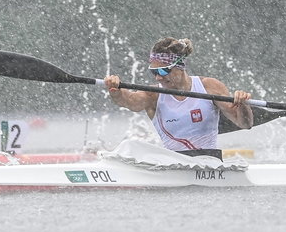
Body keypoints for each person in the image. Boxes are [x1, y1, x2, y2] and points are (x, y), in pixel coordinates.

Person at [103, 37, 253, 160]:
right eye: (153, 72)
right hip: (174, 163)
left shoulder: (210, 87)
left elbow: (245, 124)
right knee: (130, 145)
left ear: (179, 66)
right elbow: (129, 101)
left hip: (210, 162)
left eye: (163, 70)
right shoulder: (153, 95)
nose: (158, 77)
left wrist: (243, 105)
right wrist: (116, 91)